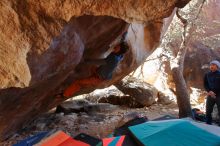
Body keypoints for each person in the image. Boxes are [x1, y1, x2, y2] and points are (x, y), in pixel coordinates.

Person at [62, 41, 129, 98]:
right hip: (99, 73)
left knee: (79, 82)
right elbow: (122, 51)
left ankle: (64, 95)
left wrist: (86, 61)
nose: (116, 46)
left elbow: (100, 62)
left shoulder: (113, 58)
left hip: (98, 78)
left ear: (120, 50)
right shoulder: (119, 55)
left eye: (118, 46)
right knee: (88, 72)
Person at [204, 60, 220, 125]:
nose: (211, 66)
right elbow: (205, 84)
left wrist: (214, 92)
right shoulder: (207, 74)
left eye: (213, 65)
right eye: (211, 65)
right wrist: (209, 91)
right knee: (208, 110)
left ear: (217, 66)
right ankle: (208, 123)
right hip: (210, 94)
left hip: (219, 95)